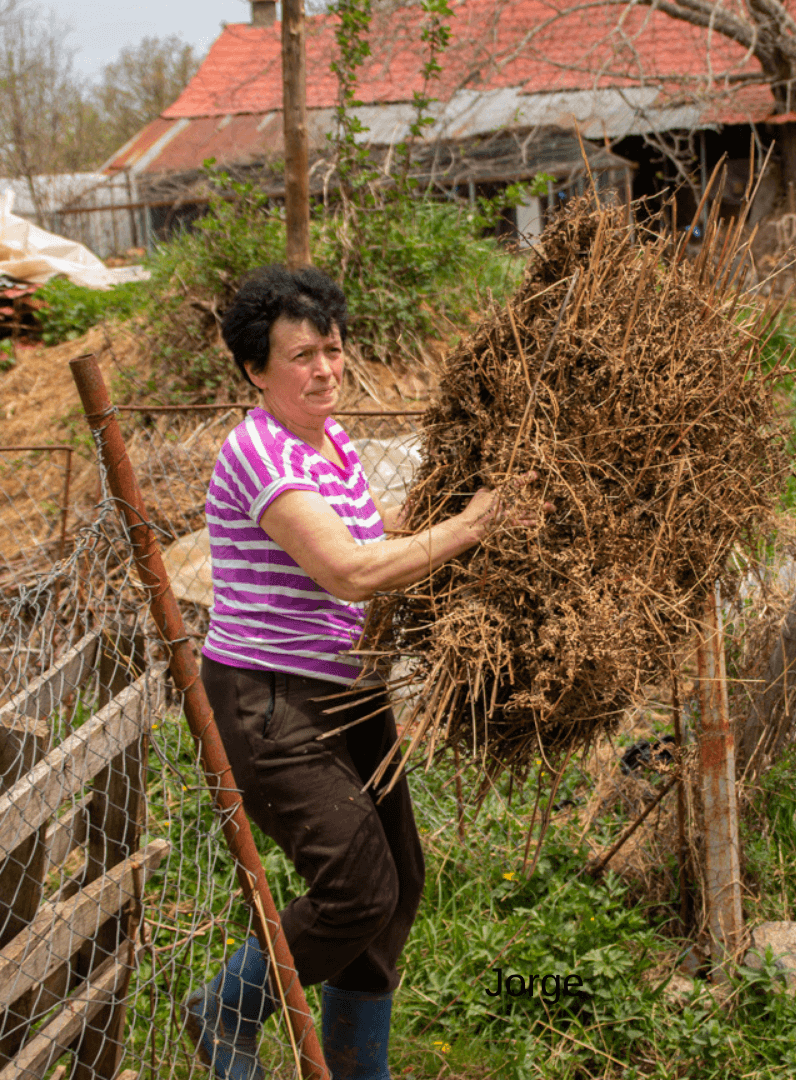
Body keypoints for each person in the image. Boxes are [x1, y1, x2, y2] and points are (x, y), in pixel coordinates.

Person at [184, 264, 540, 1080]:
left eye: (333, 350)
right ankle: (228, 1008)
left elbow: (375, 530)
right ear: (254, 369)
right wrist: (472, 526)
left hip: (350, 695)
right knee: (357, 887)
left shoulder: (327, 441)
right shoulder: (258, 454)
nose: (325, 370)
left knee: (399, 881)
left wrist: (473, 502)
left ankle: (354, 1070)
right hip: (272, 703)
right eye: (302, 355)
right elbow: (347, 569)